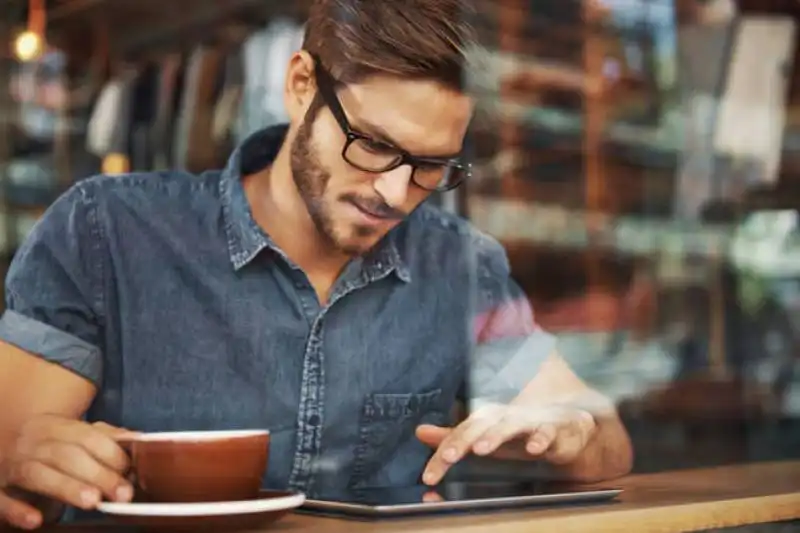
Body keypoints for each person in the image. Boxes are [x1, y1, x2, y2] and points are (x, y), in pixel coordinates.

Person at [0, 0, 633, 528]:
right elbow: (15, 460)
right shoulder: (105, 232)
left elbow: (608, 447)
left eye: (431, 165)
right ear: (302, 84)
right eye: (374, 145)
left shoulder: (458, 266)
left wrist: (574, 432)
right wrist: (24, 463)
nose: (393, 193)